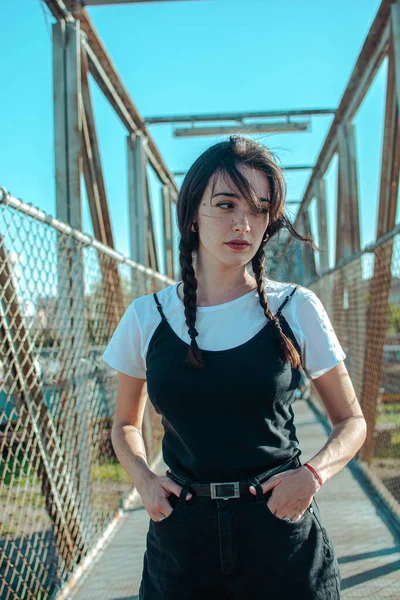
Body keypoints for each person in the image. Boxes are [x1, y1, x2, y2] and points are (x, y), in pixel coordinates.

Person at [102, 135, 367, 599]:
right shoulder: (147, 316)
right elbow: (125, 423)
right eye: (225, 204)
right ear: (190, 215)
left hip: (280, 532)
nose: (243, 223)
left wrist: (313, 475)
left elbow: (352, 422)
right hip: (182, 542)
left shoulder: (295, 308)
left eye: (260, 209)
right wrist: (144, 480)